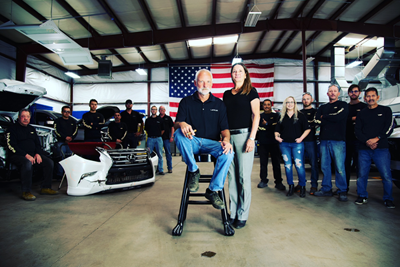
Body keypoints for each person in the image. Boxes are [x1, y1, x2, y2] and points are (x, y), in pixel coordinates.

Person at [174, 69, 234, 211]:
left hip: (212, 144)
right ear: (195, 83)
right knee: (177, 133)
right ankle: (194, 170)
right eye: (201, 81)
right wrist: (181, 124)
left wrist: (226, 139)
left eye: (208, 81)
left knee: (229, 152)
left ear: (212, 84)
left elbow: (225, 129)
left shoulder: (219, 104)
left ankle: (213, 190)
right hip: (192, 142)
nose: (204, 84)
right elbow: (177, 123)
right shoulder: (186, 102)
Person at [223, 63, 260, 229]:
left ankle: (243, 214)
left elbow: (256, 115)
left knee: (243, 177)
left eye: (240, 71)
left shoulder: (251, 92)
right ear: (231, 75)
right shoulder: (226, 95)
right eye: (234, 71)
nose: (236, 73)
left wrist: (252, 138)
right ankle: (233, 213)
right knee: (231, 178)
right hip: (229, 138)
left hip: (245, 136)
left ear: (245, 74)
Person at [355, 87, 395, 208]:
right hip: (364, 149)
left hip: (381, 148)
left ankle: (388, 198)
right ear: (365, 98)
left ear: (377, 97)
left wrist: (377, 138)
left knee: (386, 175)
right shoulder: (361, 113)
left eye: (373, 96)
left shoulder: (386, 110)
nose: (370, 98)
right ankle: (362, 196)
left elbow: (389, 127)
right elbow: (357, 131)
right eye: (368, 96)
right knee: (362, 174)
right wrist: (367, 141)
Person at [6, 109, 58, 201]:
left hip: (32, 155)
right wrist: (25, 155)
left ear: (30, 118)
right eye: (23, 116)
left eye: (28, 116)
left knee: (49, 162)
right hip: (17, 155)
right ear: (19, 117)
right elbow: (11, 145)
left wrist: (38, 153)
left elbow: (38, 144)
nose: (25, 118)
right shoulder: (12, 129)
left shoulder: (31, 129)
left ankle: (46, 188)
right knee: (27, 163)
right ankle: (26, 191)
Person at [314, 84, 349, 201]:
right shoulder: (322, 107)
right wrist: (326, 118)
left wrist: (325, 117)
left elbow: (339, 117)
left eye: (335, 91)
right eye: (330, 91)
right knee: (324, 166)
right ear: (327, 94)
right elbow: (317, 120)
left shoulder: (343, 105)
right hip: (324, 140)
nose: (333, 93)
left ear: (338, 93)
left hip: (338, 141)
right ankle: (326, 189)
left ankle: (342, 190)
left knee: (339, 167)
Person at [274, 96, 310, 197]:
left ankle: (302, 186)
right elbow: (277, 130)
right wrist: (277, 137)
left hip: (297, 144)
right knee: (288, 166)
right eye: (288, 102)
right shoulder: (281, 116)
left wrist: (301, 138)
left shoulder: (300, 115)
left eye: (292, 102)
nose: (290, 104)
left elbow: (307, 129)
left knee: (299, 166)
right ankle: (290, 186)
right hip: (284, 144)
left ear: (295, 104)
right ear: (285, 104)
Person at [257, 99, 285, 191]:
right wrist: (268, 126)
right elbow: (258, 128)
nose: (266, 106)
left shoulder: (276, 115)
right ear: (263, 106)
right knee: (263, 163)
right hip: (263, 143)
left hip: (274, 143)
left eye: (268, 104)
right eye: (265, 105)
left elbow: (276, 126)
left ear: (271, 105)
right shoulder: (259, 116)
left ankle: (278, 182)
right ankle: (263, 180)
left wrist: (267, 124)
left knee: (276, 163)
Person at [345, 84, 367, 192]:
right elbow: (343, 121)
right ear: (349, 93)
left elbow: (366, 121)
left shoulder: (364, 107)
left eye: (356, 91)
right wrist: (354, 118)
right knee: (345, 166)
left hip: (359, 141)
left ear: (359, 93)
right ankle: (345, 188)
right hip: (346, 139)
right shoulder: (346, 107)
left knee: (360, 167)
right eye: (352, 91)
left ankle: (361, 191)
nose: (353, 93)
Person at [300, 92, 319, 195]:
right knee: (300, 164)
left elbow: (315, 125)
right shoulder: (299, 113)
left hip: (311, 141)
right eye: (304, 99)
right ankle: (301, 184)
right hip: (300, 141)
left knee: (313, 164)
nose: (306, 101)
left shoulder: (316, 112)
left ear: (312, 100)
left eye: (308, 99)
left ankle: (314, 185)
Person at [54, 105, 78, 177]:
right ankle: (60, 175)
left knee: (70, 159)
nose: (67, 113)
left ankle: (68, 175)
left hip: (70, 143)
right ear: (62, 112)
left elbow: (75, 131)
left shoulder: (73, 121)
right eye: (65, 111)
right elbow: (56, 131)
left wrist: (71, 138)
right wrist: (65, 138)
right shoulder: (58, 121)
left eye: (68, 112)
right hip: (61, 143)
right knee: (61, 158)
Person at [145, 106, 165, 175]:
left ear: (157, 111)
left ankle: (160, 170)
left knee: (160, 154)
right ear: (151, 111)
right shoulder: (148, 120)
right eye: (152, 109)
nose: (153, 111)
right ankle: (150, 170)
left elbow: (163, 130)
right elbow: (147, 130)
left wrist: (158, 135)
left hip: (158, 139)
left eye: (155, 109)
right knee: (149, 154)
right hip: (150, 139)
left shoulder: (160, 119)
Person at [159, 105, 174, 173]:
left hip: (166, 139)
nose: (162, 110)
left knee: (168, 153)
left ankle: (170, 168)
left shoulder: (168, 118)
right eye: (160, 109)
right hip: (158, 139)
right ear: (159, 110)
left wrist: (172, 136)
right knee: (159, 154)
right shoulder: (157, 118)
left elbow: (172, 127)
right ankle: (159, 169)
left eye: (163, 109)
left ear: (165, 110)